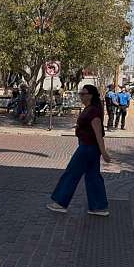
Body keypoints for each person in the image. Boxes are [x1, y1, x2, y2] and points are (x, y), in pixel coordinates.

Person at [47, 85, 111, 216]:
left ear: (90, 95)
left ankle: (60, 202)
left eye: (83, 93)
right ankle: (99, 207)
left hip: (87, 147)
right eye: (80, 93)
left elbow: (98, 133)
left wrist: (104, 152)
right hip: (90, 147)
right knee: (93, 176)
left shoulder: (93, 111)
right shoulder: (90, 109)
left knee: (72, 173)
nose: (80, 96)